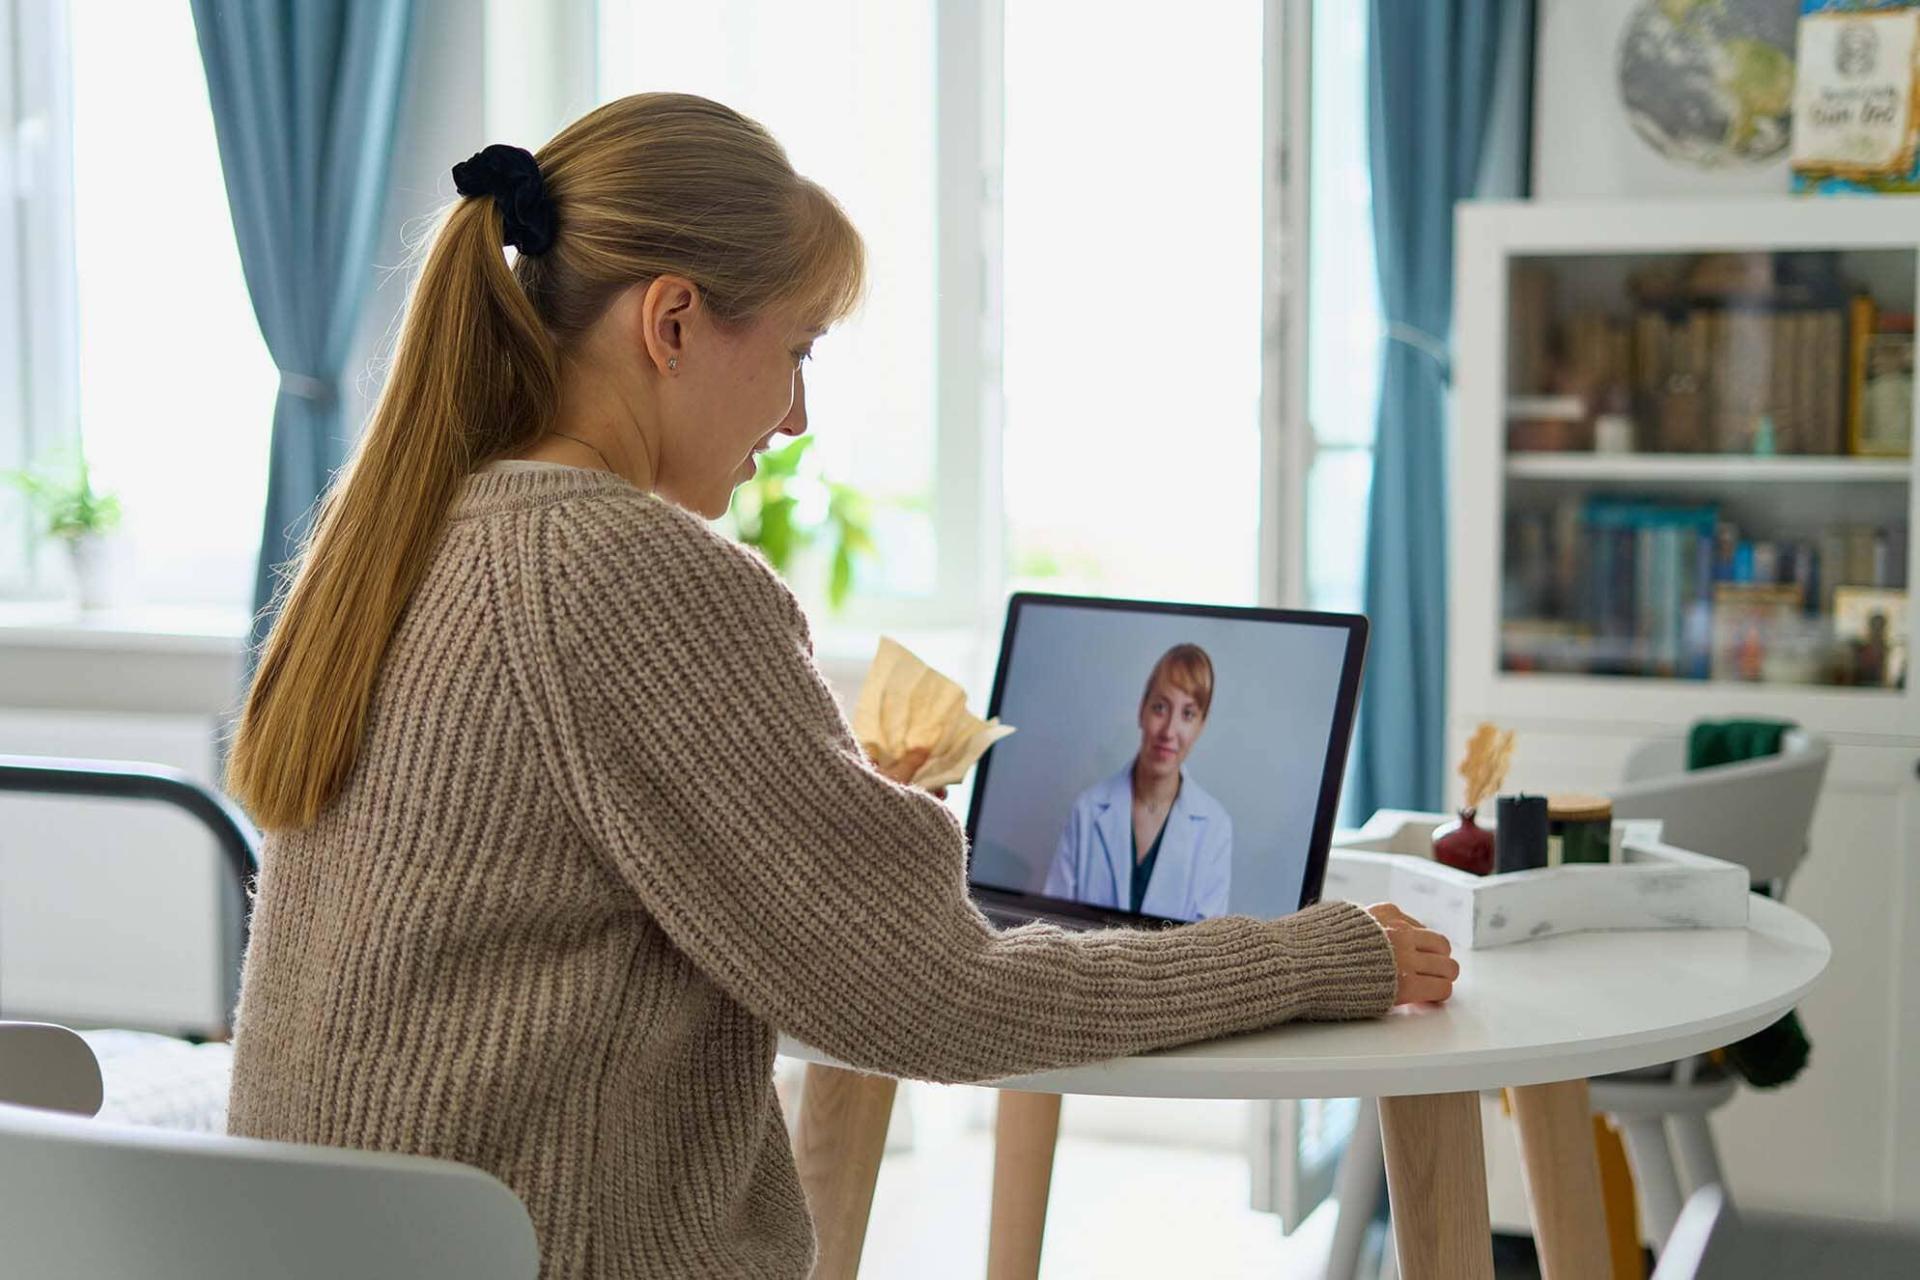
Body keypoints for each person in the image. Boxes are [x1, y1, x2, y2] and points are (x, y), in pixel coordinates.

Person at [221, 93, 1455, 1280]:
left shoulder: (406, 534)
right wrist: (1321, 957)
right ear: (673, 322)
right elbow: (942, 999)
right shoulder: (629, 571)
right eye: (797, 350)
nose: (799, 414)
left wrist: (825, 813)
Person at [1043, 644, 1233, 920]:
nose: (1169, 731)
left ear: (1201, 726)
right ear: (1141, 710)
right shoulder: (1087, 809)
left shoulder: (1215, 827)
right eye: (1159, 708)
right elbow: (1051, 926)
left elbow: (1207, 949)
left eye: (1188, 714)